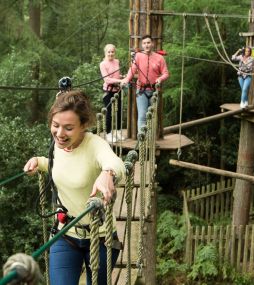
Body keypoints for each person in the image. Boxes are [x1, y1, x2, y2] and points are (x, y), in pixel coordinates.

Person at [23, 91, 125, 285]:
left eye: (68, 128)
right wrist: (39, 161)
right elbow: (59, 164)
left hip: (100, 236)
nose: (60, 133)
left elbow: (115, 163)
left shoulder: (95, 144)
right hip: (65, 233)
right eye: (55, 125)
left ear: (83, 126)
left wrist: (108, 173)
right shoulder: (57, 145)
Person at [121, 35, 169, 132]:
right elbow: (132, 70)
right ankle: (142, 142)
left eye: (148, 43)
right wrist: (126, 79)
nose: (146, 45)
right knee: (142, 115)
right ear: (142, 45)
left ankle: (150, 141)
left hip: (154, 91)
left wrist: (160, 79)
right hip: (141, 91)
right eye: (144, 43)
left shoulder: (159, 58)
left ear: (152, 44)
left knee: (152, 117)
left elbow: (166, 73)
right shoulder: (138, 56)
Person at [100, 44, 124, 143]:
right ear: (105, 52)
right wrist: (119, 81)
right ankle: (109, 133)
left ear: (115, 52)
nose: (111, 54)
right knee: (109, 114)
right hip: (108, 91)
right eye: (109, 52)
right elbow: (107, 79)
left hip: (117, 90)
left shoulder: (117, 61)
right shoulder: (103, 64)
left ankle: (118, 132)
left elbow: (116, 75)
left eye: (112, 52)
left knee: (119, 112)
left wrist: (122, 77)